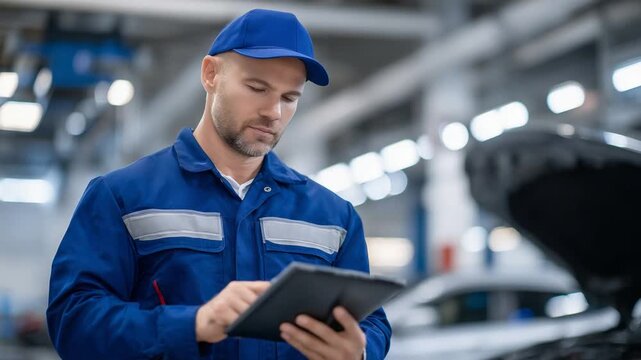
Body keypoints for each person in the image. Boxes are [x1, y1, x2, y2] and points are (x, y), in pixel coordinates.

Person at [47, 8, 391, 360]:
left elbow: (371, 323)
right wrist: (193, 324)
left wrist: (360, 352)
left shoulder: (334, 218)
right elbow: (74, 322)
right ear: (211, 74)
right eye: (257, 88)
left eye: (290, 98)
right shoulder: (123, 198)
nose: (274, 112)